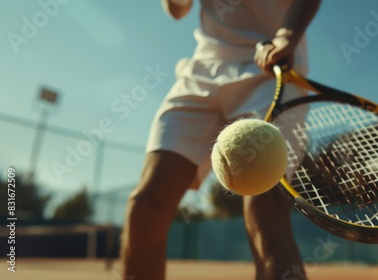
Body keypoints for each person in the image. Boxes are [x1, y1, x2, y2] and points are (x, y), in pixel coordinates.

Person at [120, 0, 321, 279]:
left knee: (265, 207)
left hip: (270, 65)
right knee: (146, 204)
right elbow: (177, 10)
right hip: (203, 71)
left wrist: (286, 36)